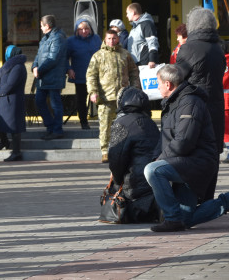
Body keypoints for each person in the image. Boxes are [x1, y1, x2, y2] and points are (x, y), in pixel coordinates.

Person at [144, 64, 229, 232]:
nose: (157, 86)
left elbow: (184, 141)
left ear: (168, 84)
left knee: (153, 171)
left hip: (196, 163)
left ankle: (171, 218)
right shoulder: (173, 102)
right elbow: (165, 138)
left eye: (158, 83)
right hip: (183, 162)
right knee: (185, 219)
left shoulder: (190, 102)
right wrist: (157, 156)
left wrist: (160, 162)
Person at [175, 7, 225, 200]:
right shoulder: (218, 47)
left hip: (194, 109)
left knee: (191, 152)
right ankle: (208, 200)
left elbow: (179, 77)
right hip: (216, 108)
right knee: (212, 155)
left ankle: (191, 201)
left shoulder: (188, 48)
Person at [107, 87, 160, 223]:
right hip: (154, 181)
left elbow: (116, 159)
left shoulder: (122, 123)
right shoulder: (150, 123)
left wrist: (117, 181)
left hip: (135, 186)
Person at [86, 29, 140, 163]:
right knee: (105, 126)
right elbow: (91, 75)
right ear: (105, 39)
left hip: (123, 97)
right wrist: (93, 92)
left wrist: (135, 89)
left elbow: (134, 72)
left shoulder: (125, 54)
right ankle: (105, 151)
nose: (112, 41)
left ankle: (123, 150)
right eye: (109, 38)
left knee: (124, 126)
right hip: (105, 97)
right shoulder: (98, 56)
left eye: (114, 38)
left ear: (118, 39)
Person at [32, 15, 68, 140]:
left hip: (53, 77)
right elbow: (38, 55)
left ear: (47, 26)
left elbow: (53, 58)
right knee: (39, 101)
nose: (40, 28)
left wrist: (39, 70)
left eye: (41, 25)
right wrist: (34, 67)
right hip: (43, 77)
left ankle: (57, 130)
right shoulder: (45, 39)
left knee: (55, 104)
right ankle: (50, 126)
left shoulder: (58, 38)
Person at [0, 45, 27, 162]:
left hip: (12, 101)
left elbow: (11, 84)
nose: (5, 53)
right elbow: (3, 81)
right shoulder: (10, 65)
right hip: (4, 99)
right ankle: (4, 142)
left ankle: (16, 152)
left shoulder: (18, 67)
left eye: (7, 51)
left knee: (14, 127)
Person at [66, 18, 101, 130]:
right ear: (77, 30)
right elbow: (65, 58)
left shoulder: (96, 38)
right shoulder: (71, 41)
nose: (84, 31)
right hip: (81, 74)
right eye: (81, 29)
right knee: (81, 99)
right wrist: (69, 69)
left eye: (86, 28)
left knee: (101, 98)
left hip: (97, 75)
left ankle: (105, 120)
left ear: (90, 29)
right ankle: (84, 122)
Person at [125, 2, 159, 68]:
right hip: (136, 64)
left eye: (127, 13)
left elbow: (153, 42)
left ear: (133, 12)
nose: (126, 15)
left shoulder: (147, 24)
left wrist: (152, 60)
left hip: (145, 65)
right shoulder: (135, 26)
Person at [223, 43, 229, 164]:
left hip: (225, 99)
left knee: (225, 128)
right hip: (227, 99)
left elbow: (223, 80)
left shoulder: (226, 62)